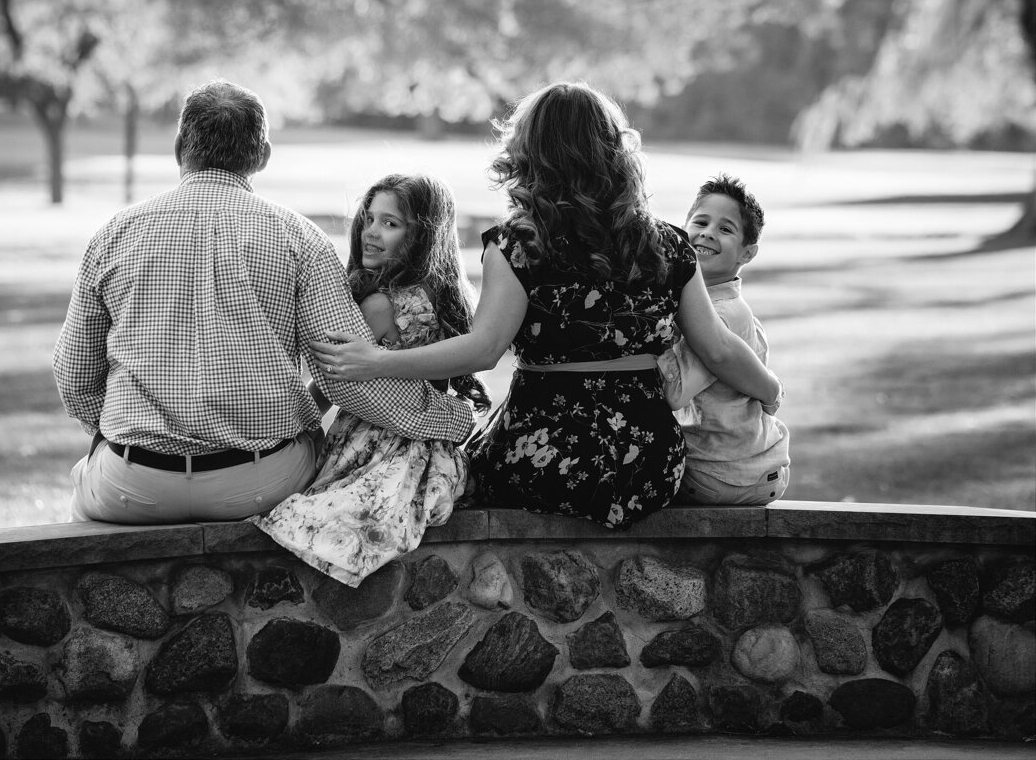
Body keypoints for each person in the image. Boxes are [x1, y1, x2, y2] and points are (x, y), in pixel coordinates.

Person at [309, 81, 782, 529]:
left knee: (456, 473)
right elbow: (718, 348)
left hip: (544, 455)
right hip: (647, 466)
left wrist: (379, 361)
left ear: (534, 152)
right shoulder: (667, 243)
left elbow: (483, 349)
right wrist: (770, 390)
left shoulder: (519, 244)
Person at [53, 81, 473, 525]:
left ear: (180, 148)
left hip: (133, 484)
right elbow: (346, 376)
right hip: (260, 481)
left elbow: (74, 375)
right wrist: (454, 420)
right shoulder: (300, 238)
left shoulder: (113, 235)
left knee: (85, 484)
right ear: (263, 156)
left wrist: (122, 440)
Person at [254, 174, 491, 586]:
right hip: (430, 441)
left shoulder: (381, 305)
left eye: (390, 223)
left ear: (421, 237)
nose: (370, 233)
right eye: (369, 219)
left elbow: (334, 380)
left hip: (378, 438)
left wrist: (304, 426)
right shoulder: (435, 294)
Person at [658, 174, 790, 505]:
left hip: (722, 474)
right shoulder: (715, 306)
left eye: (725, 229)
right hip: (741, 467)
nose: (707, 233)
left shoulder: (722, 314)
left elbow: (675, 392)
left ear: (747, 254)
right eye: (700, 222)